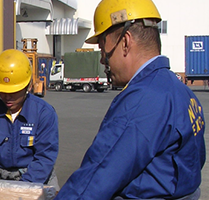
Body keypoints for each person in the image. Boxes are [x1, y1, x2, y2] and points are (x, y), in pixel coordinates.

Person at [55, 0, 206, 199]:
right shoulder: (180, 91)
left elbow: (96, 179)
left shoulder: (142, 100)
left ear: (125, 42)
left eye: (103, 48)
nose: (102, 59)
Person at [0, 49, 59, 190]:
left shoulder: (44, 113)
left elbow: (45, 157)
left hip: (36, 177)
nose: (7, 97)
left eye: (14, 92)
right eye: (2, 91)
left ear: (28, 86)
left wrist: (23, 189)